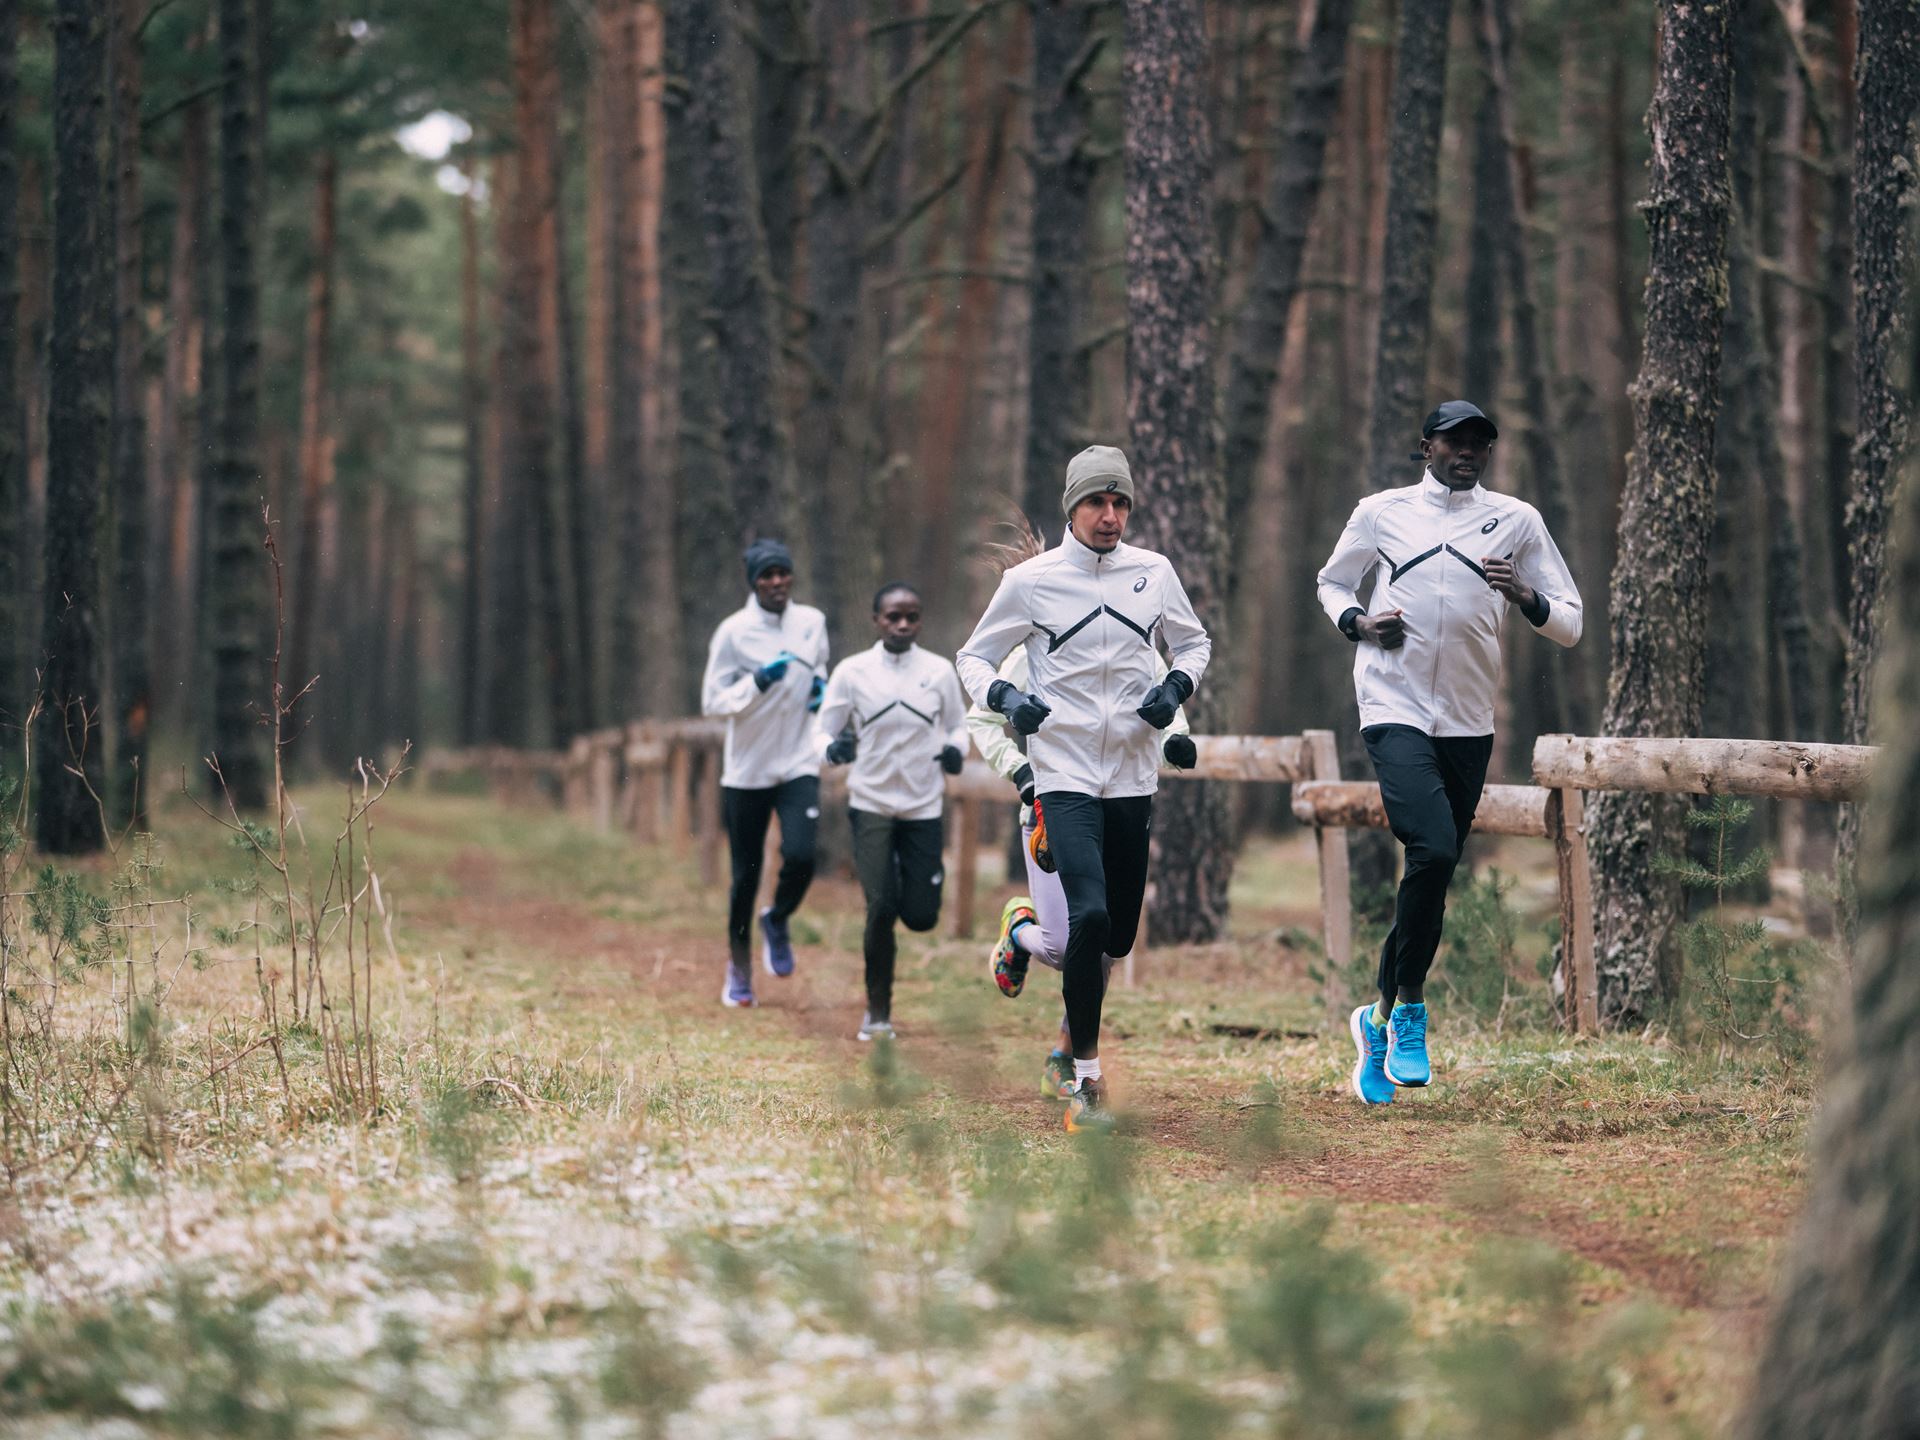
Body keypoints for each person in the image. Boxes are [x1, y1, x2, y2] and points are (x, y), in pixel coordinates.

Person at [1315, 400, 1582, 1104]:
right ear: (1426, 445)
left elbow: (1572, 625)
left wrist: (1526, 597)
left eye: (1480, 443)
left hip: (1467, 720)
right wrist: (1358, 623)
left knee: (1431, 873)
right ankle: (1408, 1008)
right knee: (1431, 850)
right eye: (1455, 441)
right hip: (1392, 705)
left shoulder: (1517, 520)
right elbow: (1332, 581)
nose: (1468, 452)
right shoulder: (1382, 511)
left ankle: (1372, 1023)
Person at [957, 446, 1212, 1132]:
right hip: (1063, 775)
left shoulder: (1153, 573)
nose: (1110, 516)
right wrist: (1009, 695)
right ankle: (1086, 1084)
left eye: (1120, 502)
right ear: (1072, 506)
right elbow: (973, 658)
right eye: (1098, 502)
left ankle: (1051, 995)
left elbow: (1192, 644)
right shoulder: (1033, 583)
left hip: (1130, 775)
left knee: (1118, 938)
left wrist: (1175, 691)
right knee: (1088, 920)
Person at [815, 582, 970, 1042]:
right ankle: (877, 1013)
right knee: (880, 907)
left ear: (920, 621)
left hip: (923, 804)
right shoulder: (853, 672)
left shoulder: (939, 672)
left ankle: (907, 885)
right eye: (893, 617)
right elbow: (821, 734)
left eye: (912, 616)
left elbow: (957, 727)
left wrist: (955, 751)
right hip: (872, 802)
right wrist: (834, 749)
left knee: (921, 916)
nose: (903, 624)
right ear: (876, 620)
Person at [700, 538, 831, 1008]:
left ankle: (776, 919)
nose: (776, 582)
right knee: (745, 876)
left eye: (782, 573)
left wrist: (821, 689)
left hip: (797, 759)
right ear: (753, 582)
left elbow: (819, 667)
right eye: (766, 576)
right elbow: (712, 702)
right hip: (747, 770)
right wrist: (755, 683)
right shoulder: (733, 633)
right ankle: (738, 967)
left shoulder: (812, 622)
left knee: (801, 854)